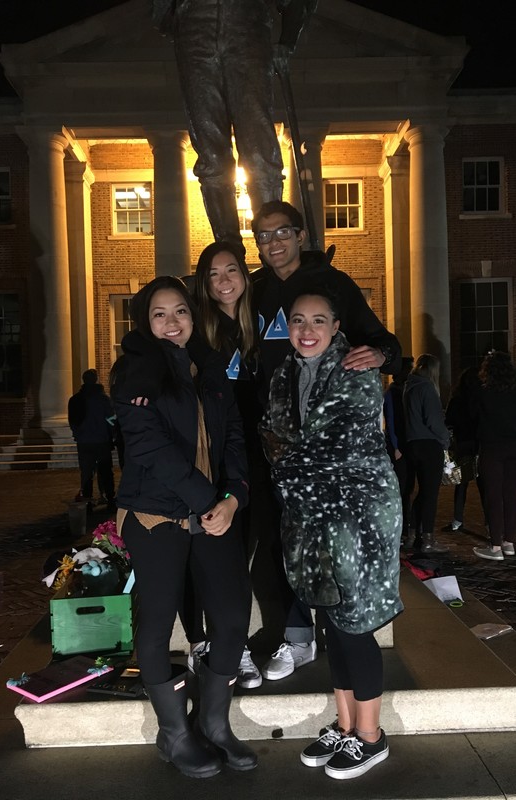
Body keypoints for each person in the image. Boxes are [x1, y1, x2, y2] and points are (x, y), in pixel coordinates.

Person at [110, 276, 256, 778]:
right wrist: (207, 499)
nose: (172, 323)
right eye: (159, 314)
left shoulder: (210, 367)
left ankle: (214, 723)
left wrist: (234, 496)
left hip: (215, 511)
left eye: (180, 313)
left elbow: (235, 434)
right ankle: (173, 733)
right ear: (145, 322)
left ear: (194, 317)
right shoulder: (134, 372)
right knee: (156, 625)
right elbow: (149, 449)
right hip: (155, 514)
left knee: (234, 617)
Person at [250, 199, 402, 680]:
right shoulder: (254, 290)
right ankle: (296, 636)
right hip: (273, 432)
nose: (274, 243)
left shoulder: (333, 285)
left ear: (300, 235)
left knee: (331, 549)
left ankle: (330, 642)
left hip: (327, 448)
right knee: (284, 540)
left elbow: (383, 341)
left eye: (283, 232)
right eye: (264, 235)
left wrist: (380, 354)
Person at [260, 288, 402, 780]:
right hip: (312, 512)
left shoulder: (357, 370)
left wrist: (287, 464)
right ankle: (345, 725)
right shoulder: (284, 374)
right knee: (331, 623)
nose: (306, 330)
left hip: (358, 514)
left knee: (355, 623)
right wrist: (287, 462)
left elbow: (335, 447)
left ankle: (371, 737)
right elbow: (271, 435)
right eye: (298, 320)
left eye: (318, 321)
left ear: (337, 327)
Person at [153, 1, 316, 249]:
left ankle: (272, 246)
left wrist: (287, 40)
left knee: (259, 150)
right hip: (195, 30)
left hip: (247, 27)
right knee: (212, 156)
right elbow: (161, 15)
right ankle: (229, 250)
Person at [185, 240, 265, 689]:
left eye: (231, 270)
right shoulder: (199, 330)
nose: (223, 281)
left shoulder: (265, 323)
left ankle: (235, 640)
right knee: (219, 551)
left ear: (244, 274)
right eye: (213, 274)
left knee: (249, 550)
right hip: (216, 454)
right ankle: (218, 643)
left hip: (262, 454)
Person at [471, 351, 516, 561]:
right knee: (511, 495)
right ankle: (509, 543)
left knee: (493, 496)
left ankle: (495, 546)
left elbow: (475, 418)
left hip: (492, 446)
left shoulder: (484, 392)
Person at [402, 354, 450, 553]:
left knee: (421, 493)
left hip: (413, 443)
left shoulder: (408, 387)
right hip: (430, 445)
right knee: (430, 493)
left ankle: (412, 535)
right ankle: (428, 538)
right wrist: (446, 439)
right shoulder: (427, 388)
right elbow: (433, 420)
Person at [442, 366, 486, 533]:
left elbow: (449, 420)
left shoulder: (457, 399)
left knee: (461, 484)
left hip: (463, 443)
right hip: (479, 443)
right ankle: (489, 522)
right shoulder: (481, 398)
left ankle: (458, 519)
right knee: (484, 486)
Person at [68, 369, 117, 513]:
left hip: (84, 441)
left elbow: (72, 421)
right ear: (95, 380)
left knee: (86, 472)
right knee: (106, 471)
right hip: (101, 440)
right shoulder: (103, 399)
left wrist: (78, 433)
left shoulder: (75, 399)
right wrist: (112, 433)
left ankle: (88, 501)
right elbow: (111, 419)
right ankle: (109, 498)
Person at [383, 357, 414, 542]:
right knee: (401, 488)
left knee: (407, 488)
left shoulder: (402, 391)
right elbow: (392, 421)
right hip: (398, 446)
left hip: (404, 443)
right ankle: (401, 529)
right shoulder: (392, 393)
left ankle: (405, 526)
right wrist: (395, 446)